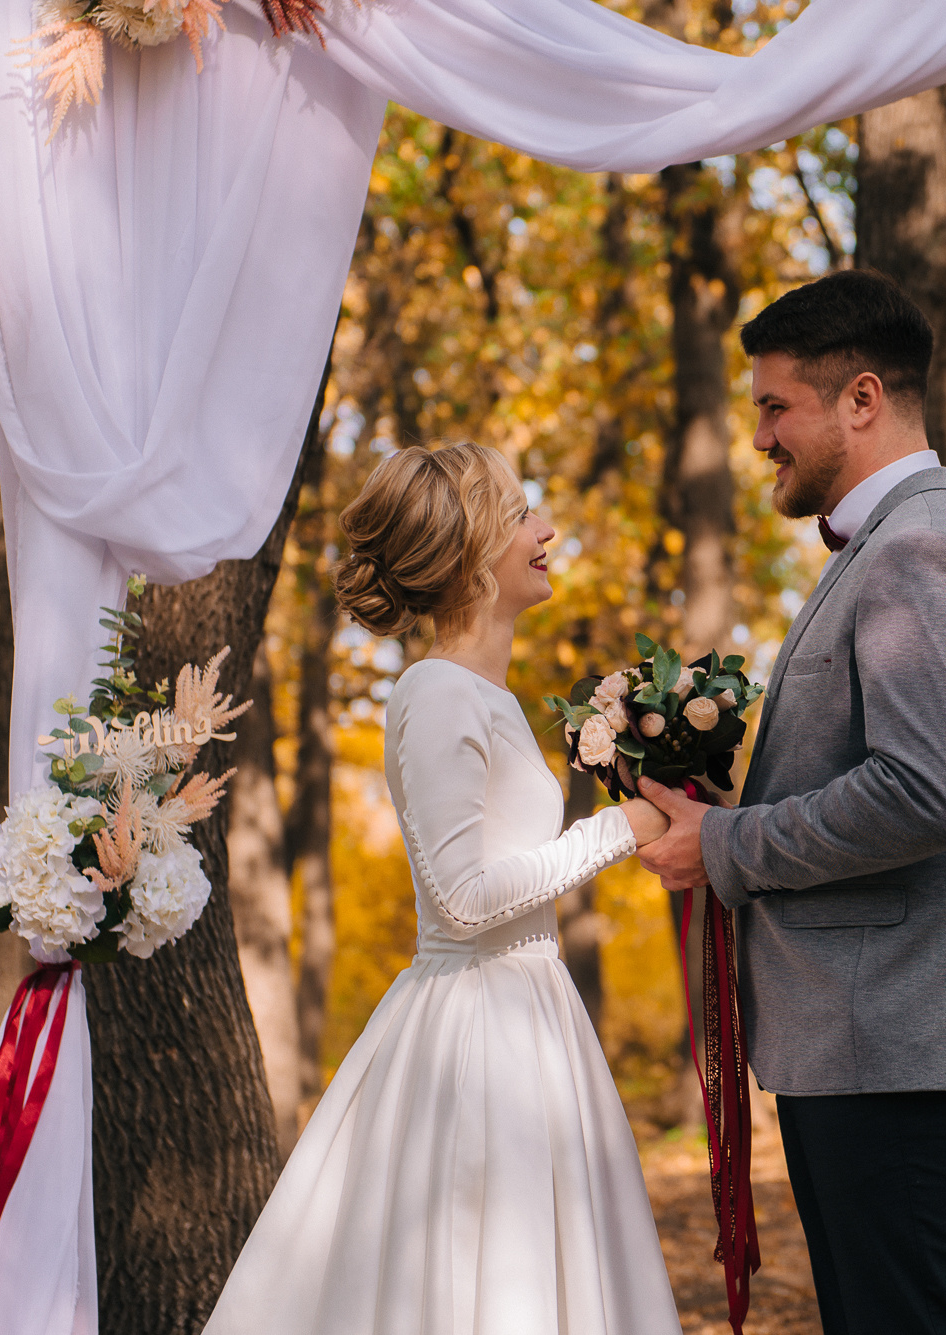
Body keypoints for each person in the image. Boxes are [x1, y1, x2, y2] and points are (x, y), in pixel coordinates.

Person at [638, 268, 946, 1335]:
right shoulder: (891, 546)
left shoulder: (921, 551)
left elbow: (925, 794)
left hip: (895, 1038)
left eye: (776, 407)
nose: (759, 437)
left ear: (861, 399)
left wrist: (725, 844)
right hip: (865, 1039)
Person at [203, 441, 680, 1335]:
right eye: (523, 514)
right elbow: (462, 898)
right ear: (473, 549)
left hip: (530, 1013)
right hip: (479, 1032)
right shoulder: (436, 693)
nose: (547, 530)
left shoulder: (487, 695)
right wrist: (621, 830)